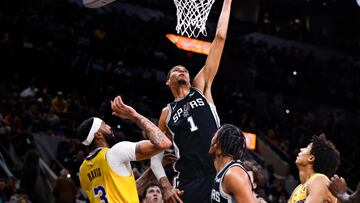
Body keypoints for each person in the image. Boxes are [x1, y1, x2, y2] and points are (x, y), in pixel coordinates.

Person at [150, 0, 233, 202]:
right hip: (188, 181)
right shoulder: (166, 112)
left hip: (218, 172)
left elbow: (220, 38)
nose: (183, 70)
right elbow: (155, 155)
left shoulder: (201, 89)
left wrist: (228, 2)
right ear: (167, 81)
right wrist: (166, 186)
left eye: (185, 69)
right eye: (176, 70)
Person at [78, 96, 172, 203]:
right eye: (104, 125)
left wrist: (153, 170)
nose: (109, 127)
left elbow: (128, 190)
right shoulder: (115, 153)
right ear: (98, 135)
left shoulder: (83, 171)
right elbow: (163, 143)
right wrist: (134, 116)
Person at [209, 124, 257, 203]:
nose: (211, 138)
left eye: (215, 135)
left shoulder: (233, 173)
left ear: (219, 144)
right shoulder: (224, 170)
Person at [289, 134, 340, 203]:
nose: (301, 149)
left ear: (311, 158)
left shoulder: (320, 180)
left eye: (306, 148)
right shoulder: (298, 189)